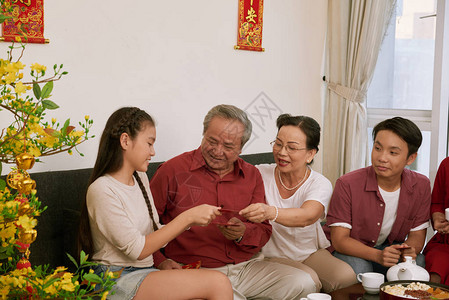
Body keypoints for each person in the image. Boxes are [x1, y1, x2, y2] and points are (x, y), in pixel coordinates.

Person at [150, 104, 316, 299]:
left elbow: (264, 230)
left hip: (246, 269)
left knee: (304, 283)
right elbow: (144, 226)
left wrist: (242, 233)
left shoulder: (251, 175)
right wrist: (160, 261)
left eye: (228, 146)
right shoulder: (173, 170)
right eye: (212, 141)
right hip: (194, 272)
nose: (218, 151)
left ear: (241, 147)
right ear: (203, 134)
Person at [78, 107, 233, 300]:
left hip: (145, 271)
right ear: (125, 141)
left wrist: (192, 222)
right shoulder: (102, 190)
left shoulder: (140, 178)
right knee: (218, 283)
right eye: (149, 143)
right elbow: (138, 249)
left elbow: (153, 233)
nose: (153, 152)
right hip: (114, 278)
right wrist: (187, 218)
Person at [239, 114, 357, 293]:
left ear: (310, 154)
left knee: (346, 277)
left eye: (291, 147)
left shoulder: (319, 183)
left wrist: (270, 212)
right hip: (269, 255)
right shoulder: (259, 174)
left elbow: (307, 216)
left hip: (308, 253)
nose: (282, 152)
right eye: (278, 144)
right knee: (310, 281)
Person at [324, 117, 431, 276]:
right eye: (377, 148)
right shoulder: (347, 183)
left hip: (388, 250)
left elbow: (416, 237)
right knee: (361, 269)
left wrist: (406, 252)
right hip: (350, 250)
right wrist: (378, 256)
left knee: (418, 263)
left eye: (393, 152)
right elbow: (340, 241)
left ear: (411, 158)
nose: (382, 158)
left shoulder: (420, 185)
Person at [423, 157, 449, 285]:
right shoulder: (447, 164)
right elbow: (437, 202)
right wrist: (438, 218)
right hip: (445, 241)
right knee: (437, 262)